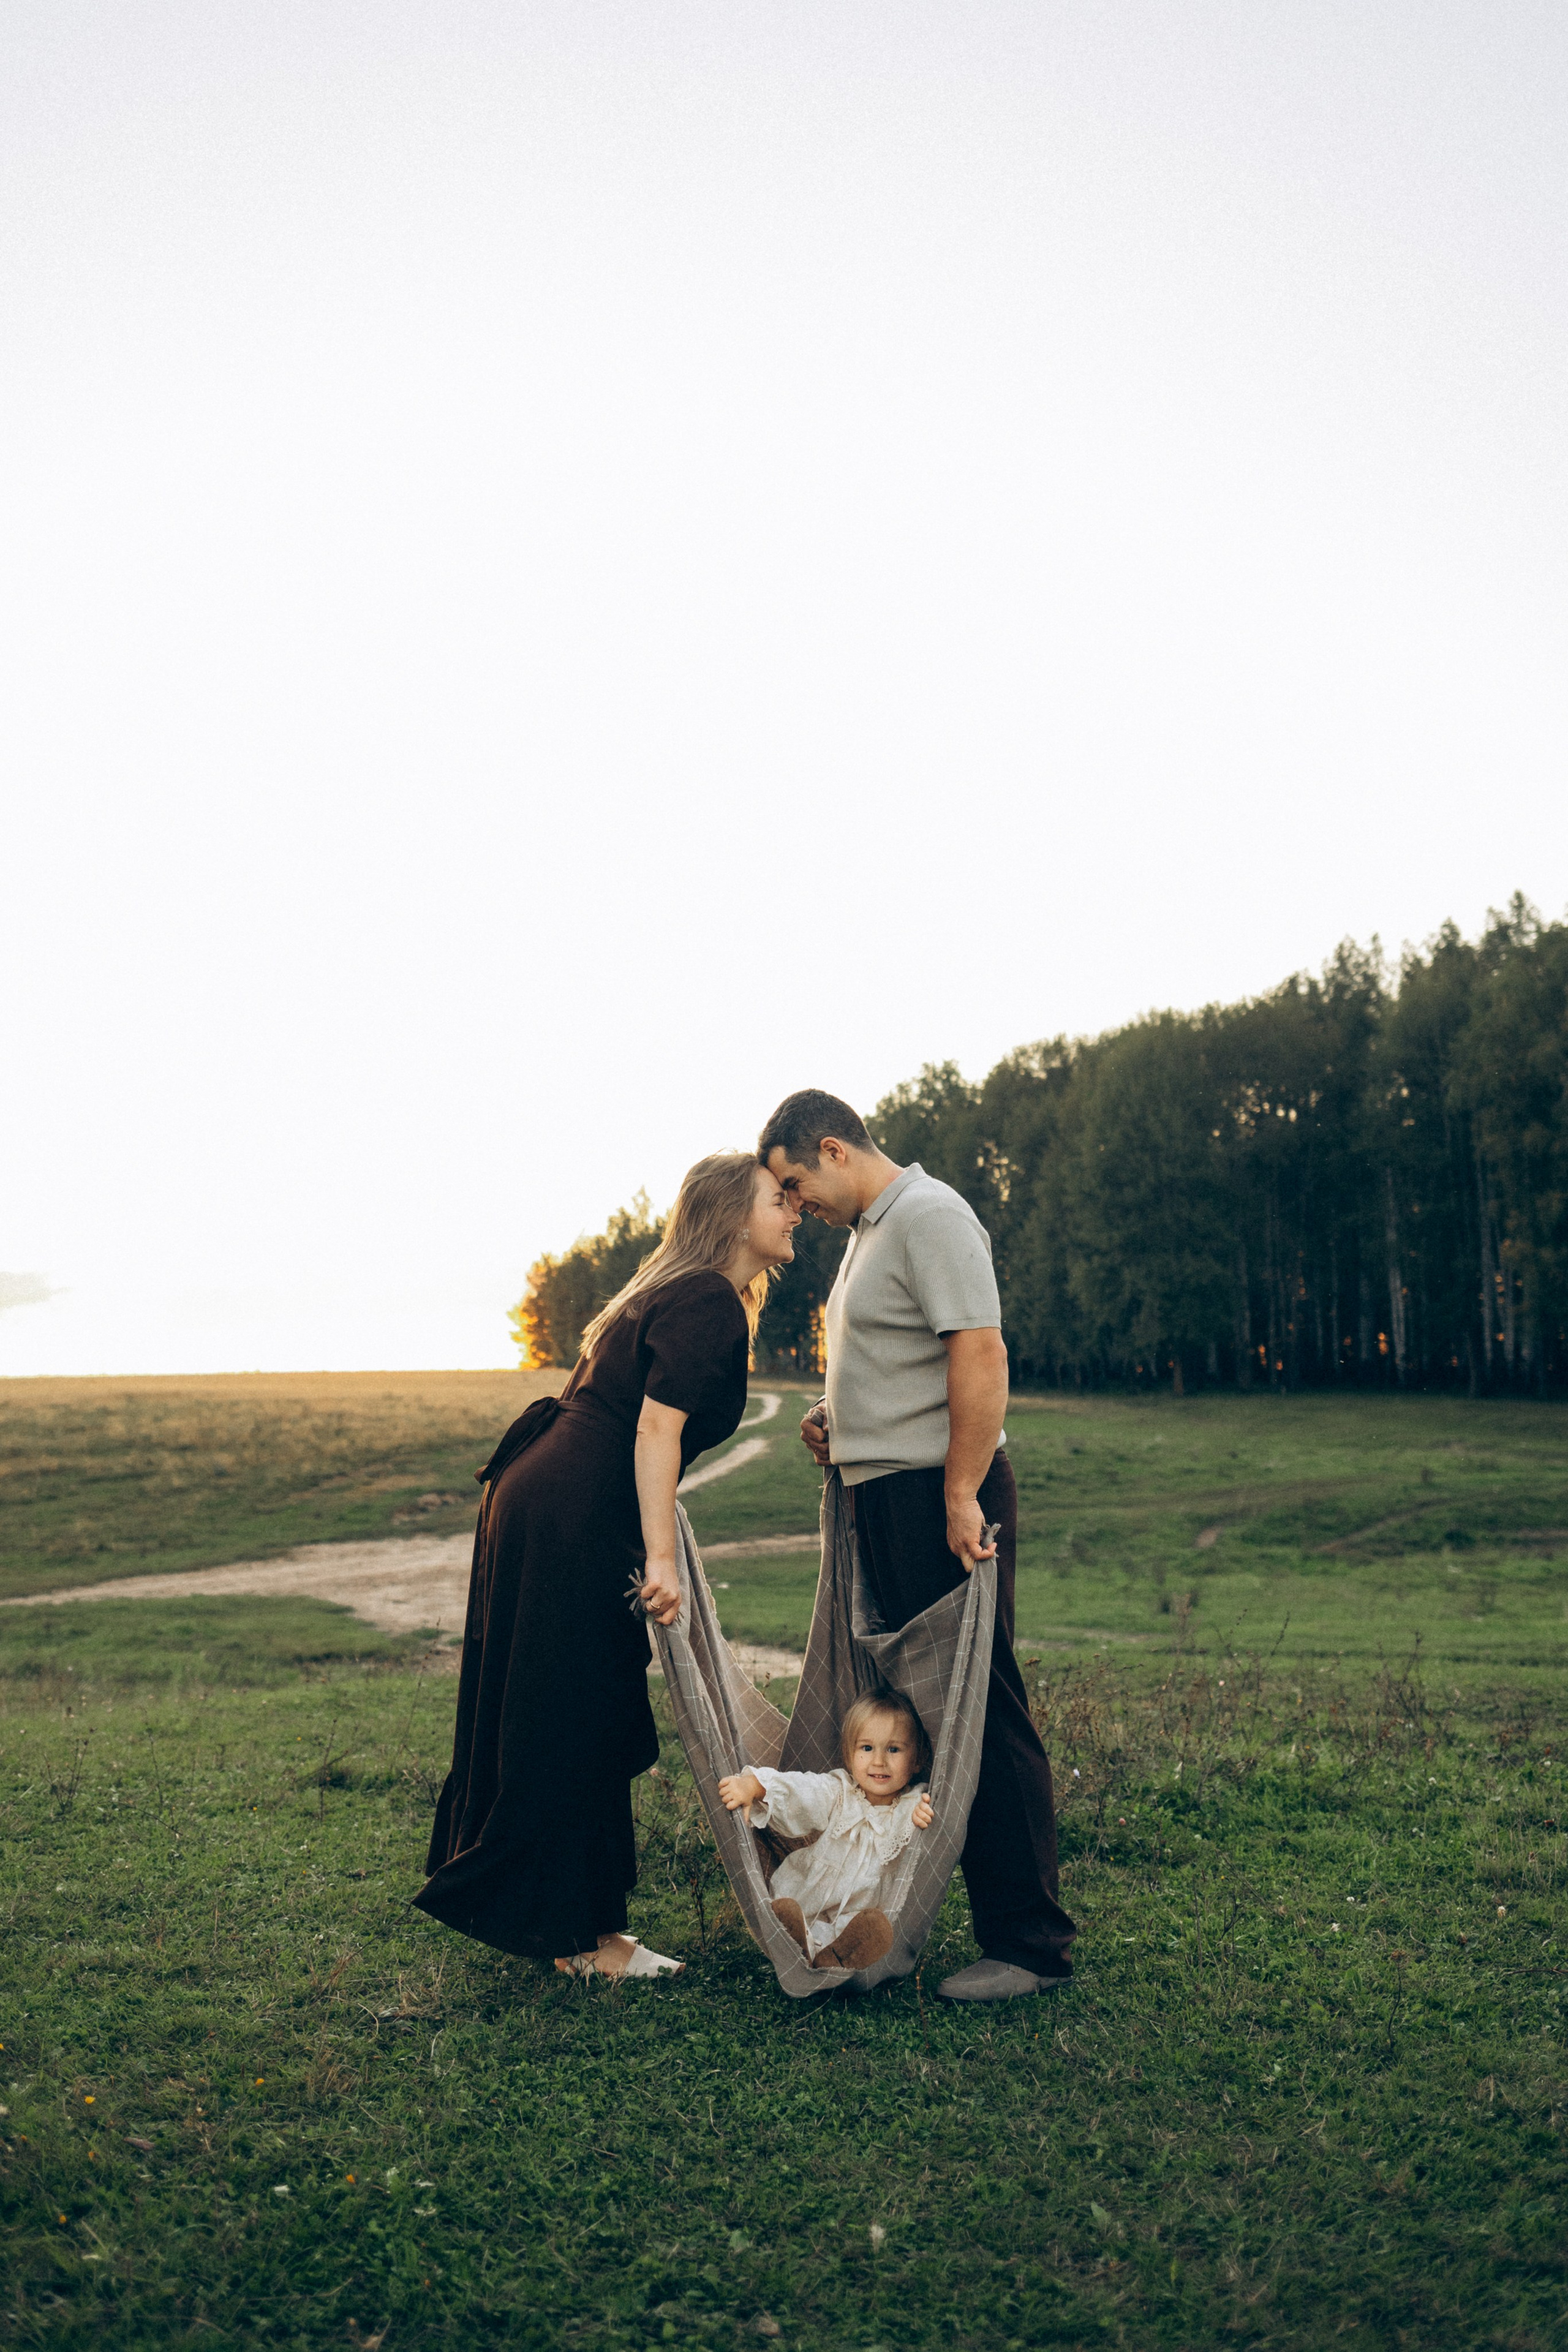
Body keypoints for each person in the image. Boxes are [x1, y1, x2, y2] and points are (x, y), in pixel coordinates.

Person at [415, 1152, 800, 1980]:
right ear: (735, 1217)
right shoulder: (707, 1298)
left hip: (550, 1493)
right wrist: (660, 1556)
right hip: (573, 1506)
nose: (794, 1210)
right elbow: (655, 1432)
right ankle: (580, 1941)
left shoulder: (682, 1293)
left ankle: (579, 1928)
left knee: (565, 1702)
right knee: (572, 1709)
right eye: (780, 1198)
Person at [759, 1088, 1079, 2002]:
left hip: (936, 1496)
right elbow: (900, 1361)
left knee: (982, 1708)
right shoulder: (872, 1231)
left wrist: (960, 1491)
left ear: (832, 1149)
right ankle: (889, 1923)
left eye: (795, 1184)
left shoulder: (933, 1214)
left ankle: (1030, 1947)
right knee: (917, 1719)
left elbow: (980, 1353)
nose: (796, 1208)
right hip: (886, 1493)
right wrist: (837, 1420)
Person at [717, 1691, 934, 1972]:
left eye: (893, 1750)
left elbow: (932, 1832)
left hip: (861, 1915)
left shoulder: (914, 1804)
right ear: (849, 1755)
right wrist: (756, 1786)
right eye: (867, 1748)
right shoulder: (839, 1792)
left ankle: (836, 1957)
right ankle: (800, 1945)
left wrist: (922, 1816)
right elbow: (803, 1791)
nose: (879, 1761)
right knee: (792, 1912)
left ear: (917, 1760)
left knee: (870, 1928)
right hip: (810, 1902)